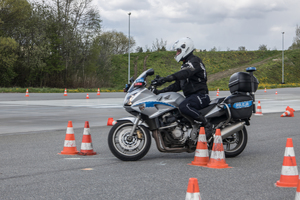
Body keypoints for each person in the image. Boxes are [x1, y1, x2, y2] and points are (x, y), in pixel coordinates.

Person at [153, 37, 212, 140]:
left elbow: (185, 72)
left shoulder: (194, 61)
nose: (177, 53)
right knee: (176, 111)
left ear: (186, 48)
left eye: (178, 50)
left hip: (200, 96)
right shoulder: (185, 65)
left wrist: (167, 78)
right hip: (192, 97)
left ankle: (207, 125)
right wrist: (159, 92)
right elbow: (177, 86)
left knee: (184, 107)